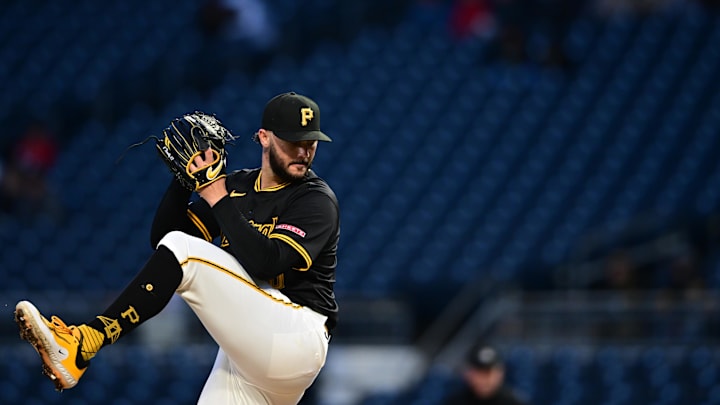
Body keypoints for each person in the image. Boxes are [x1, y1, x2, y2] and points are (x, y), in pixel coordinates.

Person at [14, 91, 340, 405]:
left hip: (297, 337)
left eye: (310, 142)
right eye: (293, 141)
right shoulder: (237, 187)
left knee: (185, 251)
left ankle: (84, 343)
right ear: (265, 137)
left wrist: (213, 192)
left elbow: (267, 263)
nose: (303, 151)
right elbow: (165, 240)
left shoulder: (314, 199)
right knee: (179, 249)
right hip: (248, 358)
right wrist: (184, 182)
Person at [444, 343, 528, 405]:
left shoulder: (514, 402)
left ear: (500, 373)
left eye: (488, 373)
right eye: (479, 372)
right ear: (468, 373)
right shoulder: (454, 402)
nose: (483, 379)